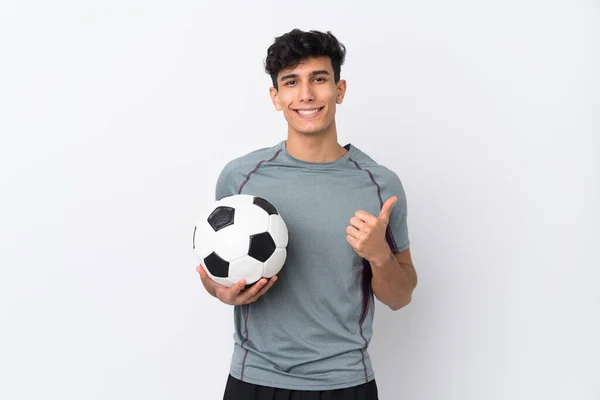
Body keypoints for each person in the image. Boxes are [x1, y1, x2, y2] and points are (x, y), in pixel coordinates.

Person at [196, 29, 418, 400]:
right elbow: (214, 273)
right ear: (276, 97)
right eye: (291, 82)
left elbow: (400, 297)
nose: (306, 95)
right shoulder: (240, 177)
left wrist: (379, 255)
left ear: (340, 89)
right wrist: (222, 293)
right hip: (255, 378)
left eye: (319, 79)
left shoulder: (380, 185)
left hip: (344, 383)